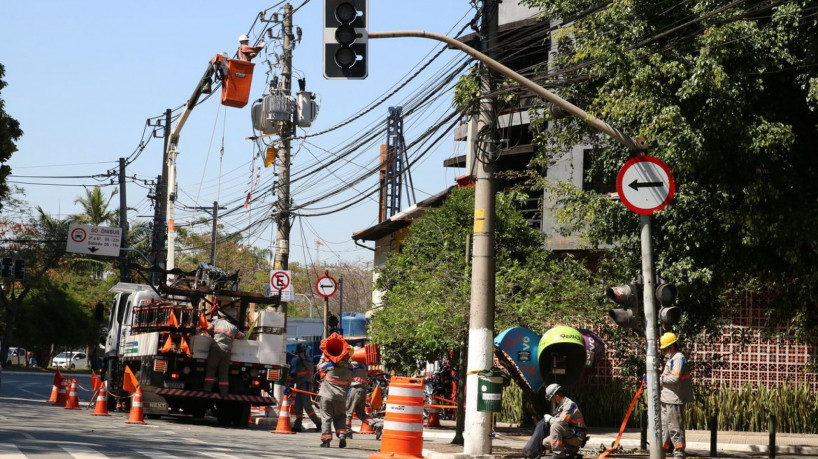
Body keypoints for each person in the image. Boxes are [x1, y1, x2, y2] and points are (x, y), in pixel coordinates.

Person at [522, 383, 587, 459]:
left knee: (555, 426)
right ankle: (571, 450)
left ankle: (559, 455)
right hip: (569, 434)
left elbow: (561, 422)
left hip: (577, 436)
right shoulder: (560, 407)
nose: (552, 401)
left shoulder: (569, 405)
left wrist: (550, 419)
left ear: (557, 396)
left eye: (552, 398)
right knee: (545, 442)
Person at [660, 332, 693, 459]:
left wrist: (659, 380)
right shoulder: (672, 358)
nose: (663, 352)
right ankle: (660, 452)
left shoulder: (678, 358)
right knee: (664, 429)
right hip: (666, 398)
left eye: (665, 349)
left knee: (675, 428)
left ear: (671, 346)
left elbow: (675, 378)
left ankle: (679, 455)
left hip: (674, 399)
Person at [317, 346, 353, 448]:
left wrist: (324, 356)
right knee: (340, 417)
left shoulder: (329, 365)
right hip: (341, 397)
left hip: (326, 395)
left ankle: (326, 439)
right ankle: (342, 435)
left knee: (326, 417)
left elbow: (319, 367)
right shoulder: (350, 368)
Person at [203, 312, 244, 396]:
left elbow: (208, 328)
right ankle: (224, 392)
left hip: (216, 349)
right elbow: (242, 336)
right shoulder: (233, 327)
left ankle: (207, 389)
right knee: (223, 372)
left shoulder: (216, 321)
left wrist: (213, 335)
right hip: (227, 351)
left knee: (211, 369)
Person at [289, 343, 321, 432]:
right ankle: (298, 425)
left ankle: (318, 422)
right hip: (304, 385)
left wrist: (289, 385)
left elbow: (292, 373)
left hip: (304, 385)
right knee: (298, 405)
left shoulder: (296, 360)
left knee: (307, 406)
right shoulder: (309, 359)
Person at [345, 346, 374, 438]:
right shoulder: (363, 365)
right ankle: (375, 425)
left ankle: (347, 430)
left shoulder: (353, 363)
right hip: (362, 390)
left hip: (355, 389)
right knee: (360, 413)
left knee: (348, 411)